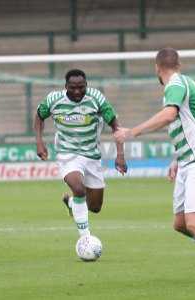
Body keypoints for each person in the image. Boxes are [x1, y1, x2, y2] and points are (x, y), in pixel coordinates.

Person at [113, 47, 195, 280]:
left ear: (157, 68)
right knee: (180, 224)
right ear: (179, 64)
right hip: (188, 161)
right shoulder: (180, 84)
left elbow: (168, 116)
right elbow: (188, 124)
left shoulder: (175, 85)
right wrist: (177, 158)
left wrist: (131, 132)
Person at [35, 69, 127, 238]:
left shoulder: (96, 99)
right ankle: (86, 238)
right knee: (78, 188)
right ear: (65, 87)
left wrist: (120, 154)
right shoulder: (54, 100)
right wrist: (39, 142)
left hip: (91, 155)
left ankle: (71, 203)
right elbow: (39, 116)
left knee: (95, 207)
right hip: (67, 153)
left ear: (86, 85)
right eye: (72, 88)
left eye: (81, 87)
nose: (77, 91)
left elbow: (115, 125)